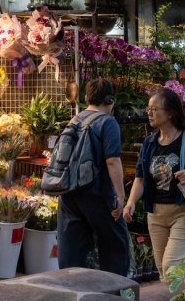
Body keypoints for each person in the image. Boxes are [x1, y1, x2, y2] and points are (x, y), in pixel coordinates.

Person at [123, 87, 185, 280]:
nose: (149, 112)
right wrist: (131, 202)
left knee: (170, 267)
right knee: (162, 269)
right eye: (148, 108)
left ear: (170, 112)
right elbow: (141, 178)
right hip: (156, 215)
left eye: (154, 109)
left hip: (182, 212)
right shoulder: (149, 143)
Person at [56, 78, 131, 276]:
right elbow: (112, 161)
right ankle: (115, 295)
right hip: (96, 192)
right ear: (110, 99)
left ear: (87, 97)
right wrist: (121, 196)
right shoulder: (107, 122)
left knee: (73, 248)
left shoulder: (75, 119)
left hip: (69, 193)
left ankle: (72, 291)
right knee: (116, 244)